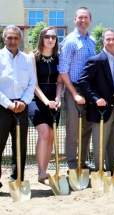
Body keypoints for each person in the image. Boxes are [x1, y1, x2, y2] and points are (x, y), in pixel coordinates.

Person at [78, 28, 114, 172]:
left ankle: (113, 169)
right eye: (108, 39)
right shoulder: (96, 60)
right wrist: (95, 98)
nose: (111, 41)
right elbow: (83, 82)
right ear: (103, 41)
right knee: (100, 142)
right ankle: (99, 171)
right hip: (101, 109)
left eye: (113, 39)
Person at [58, 7, 96, 170]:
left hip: (88, 91)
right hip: (73, 89)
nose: (82, 20)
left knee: (87, 128)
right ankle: (72, 164)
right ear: (75, 20)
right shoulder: (70, 40)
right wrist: (74, 94)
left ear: (90, 20)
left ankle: (82, 161)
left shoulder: (92, 41)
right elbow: (63, 70)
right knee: (73, 129)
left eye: (85, 18)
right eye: (79, 18)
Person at [0, 25, 36, 189]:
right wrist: (8, 104)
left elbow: (32, 83)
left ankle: (18, 180)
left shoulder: (27, 59)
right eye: (9, 37)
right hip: (2, 107)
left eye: (15, 37)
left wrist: (24, 101)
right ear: (4, 38)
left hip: (22, 106)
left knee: (20, 146)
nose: (12, 40)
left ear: (20, 39)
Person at [28, 27, 63, 183]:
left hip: (53, 100)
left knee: (51, 136)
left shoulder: (59, 58)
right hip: (36, 99)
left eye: (54, 37)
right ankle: (41, 172)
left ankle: (45, 169)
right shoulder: (33, 57)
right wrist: (46, 101)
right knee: (44, 133)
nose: (51, 39)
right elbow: (34, 85)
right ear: (42, 38)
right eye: (47, 36)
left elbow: (60, 82)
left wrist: (57, 98)